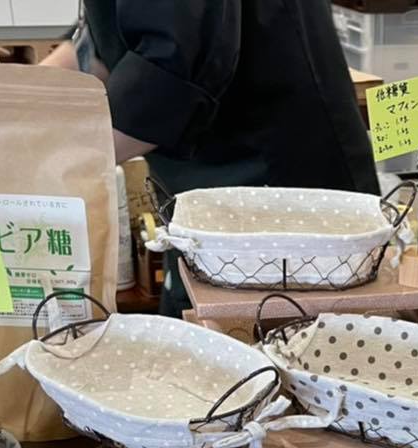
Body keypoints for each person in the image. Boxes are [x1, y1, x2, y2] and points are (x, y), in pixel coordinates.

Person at [46, 0, 380, 313]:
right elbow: (106, 39)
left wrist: (45, 164)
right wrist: (22, 96)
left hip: (271, 186)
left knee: (268, 336)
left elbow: (169, 71)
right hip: (210, 185)